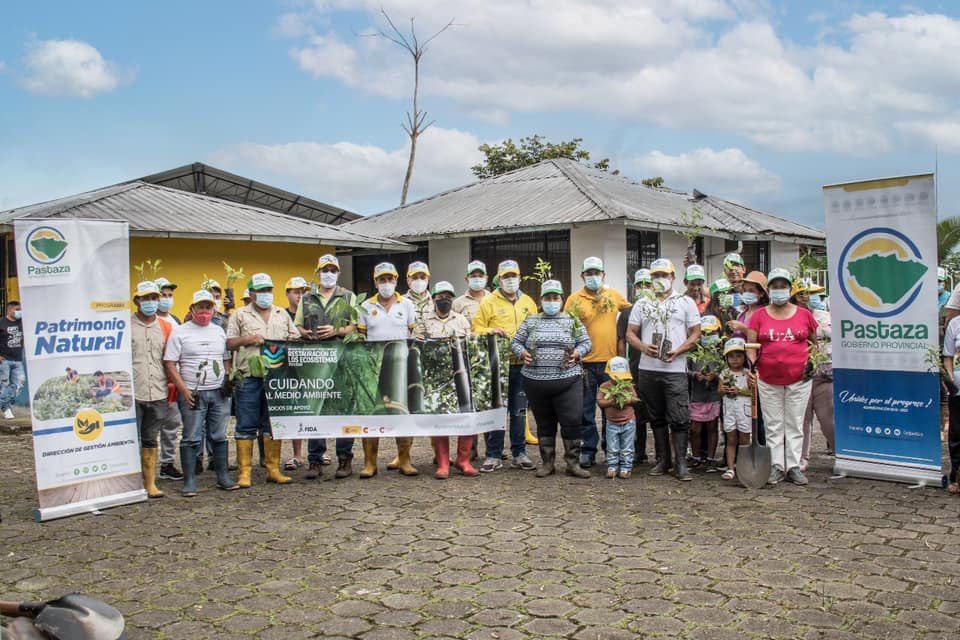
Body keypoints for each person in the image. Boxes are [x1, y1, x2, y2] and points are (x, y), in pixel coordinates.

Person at [626, 258, 701, 481]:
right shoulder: (643, 303)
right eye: (656, 276)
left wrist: (679, 350)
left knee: (679, 416)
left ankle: (680, 464)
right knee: (656, 416)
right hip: (648, 369)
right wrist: (642, 347)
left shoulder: (685, 302)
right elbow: (630, 333)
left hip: (675, 369)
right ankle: (662, 459)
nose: (660, 280)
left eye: (664, 275)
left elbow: (696, 333)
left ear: (673, 278)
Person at [511, 280, 592, 478]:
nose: (552, 301)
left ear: (562, 300)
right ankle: (547, 463)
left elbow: (586, 342)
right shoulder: (532, 321)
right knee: (544, 423)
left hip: (568, 380)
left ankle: (572, 464)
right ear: (541, 300)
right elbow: (515, 342)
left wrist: (578, 353)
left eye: (555, 298)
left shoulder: (572, 320)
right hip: (535, 382)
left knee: (572, 421)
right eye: (548, 298)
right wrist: (522, 353)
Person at [226, 272, 301, 487]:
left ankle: (273, 469)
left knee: (273, 424)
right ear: (251, 294)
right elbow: (229, 343)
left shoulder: (281, 314)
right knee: (246, 424)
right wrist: (249, 339)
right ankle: (245, 473)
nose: (266, 294)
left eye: (268, 290)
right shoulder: (240, 315)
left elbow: (294, 340)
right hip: (249, 378)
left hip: (276, 378)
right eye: (261, 291)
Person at [746, 268, 818, 486]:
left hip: (799, 377)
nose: (779, 291)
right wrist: (752, 367)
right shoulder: (758, 316)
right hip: (767, 378)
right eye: (775, 287)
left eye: (783, 286)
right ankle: (777, 466)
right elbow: (751, 345)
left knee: (795, 422)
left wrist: (811, 362)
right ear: (768, 290)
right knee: (774, 424)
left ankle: (793, 466)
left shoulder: (804, 314)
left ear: (790, 289)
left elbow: (814, 343)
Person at [164, 289, 238, 496]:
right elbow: (170, 363)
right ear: (192, 309)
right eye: (200, 307)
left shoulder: (218, 331)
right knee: (191, 437)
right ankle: (189, 481)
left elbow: (225, 357)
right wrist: (183, 390)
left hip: (218, 392)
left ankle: (222, 477)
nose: (204, 311)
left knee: (219, 435)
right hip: (192, 393)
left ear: (213, 309)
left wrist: (227, 376)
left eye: (208, 307)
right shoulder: (180, 331)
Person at [564, 256, 632, 468]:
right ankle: (588, 450)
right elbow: (566, 327)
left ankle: (610, 449)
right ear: (582, 276)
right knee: (585, 411)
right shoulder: (574, 300)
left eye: (597, 273)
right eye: (589, 273)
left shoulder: (613, 295)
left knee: (610, 408)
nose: (593, 277)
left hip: (610, 365)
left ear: (603, 275)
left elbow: (632, 310)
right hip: (584, 363)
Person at [472, 259, 539, 472]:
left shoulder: (528, 302)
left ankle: (519, 453)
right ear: (499, 279)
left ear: (519, 277)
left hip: (523, 366)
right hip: (498, 366)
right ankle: (493, 454)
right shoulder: (488, 302)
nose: (510, 280)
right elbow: (475, 329)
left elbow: (536, 328)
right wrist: (490, 331)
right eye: (506, 277)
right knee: (497, 411)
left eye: (514, 276)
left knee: (520, 411)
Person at [297, 254, 358, 479]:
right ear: (318, 272)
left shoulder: (349, 297)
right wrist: (304, 332)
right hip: (315, 360)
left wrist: (337, 331)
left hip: (342, 359)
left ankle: (345, 458)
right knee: (316, 408)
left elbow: (357, 326)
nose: (329, 274)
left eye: (333, 270)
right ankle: (315, 460)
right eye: (325, 270)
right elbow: (298, 326)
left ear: (339, 273)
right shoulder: (307, 299)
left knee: (342, 407)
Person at [356, 262, 419, 478]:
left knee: (401, 412)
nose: (386, 283)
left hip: (401, 366)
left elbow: (413, 336)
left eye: (389, 279)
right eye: (381, 280)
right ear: (375, 282)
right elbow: (361, 338)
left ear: (396, 280)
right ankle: (370, 463)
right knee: (372, 416)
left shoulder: (407, 305)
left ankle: (405, 460)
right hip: (373, 368)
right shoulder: (364, 306)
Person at [421, 281, 477, 478]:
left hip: (460, 376)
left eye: (448, 296)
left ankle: (464, 460)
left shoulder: (461, 321)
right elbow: (416, 346)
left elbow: (472, 347)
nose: (444, 300)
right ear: (433, 298)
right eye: (440, 296)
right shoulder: (424, 321)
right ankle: (443, 463)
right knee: (440, 420)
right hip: (436, 378)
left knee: (466, 416)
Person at [130, 281, 172, 498]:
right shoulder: (125, 325)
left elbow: (170, 360)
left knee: (150, 437)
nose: (151, 302)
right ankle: (130, 483)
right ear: (137, 300)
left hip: (158, 390)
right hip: (132, 392)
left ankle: (150, 483)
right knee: (129, 438)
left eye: (154, 298)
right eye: (146, 298)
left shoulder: (166, 326)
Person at [795, 279, 835, 469]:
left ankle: (839, 453)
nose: (809, 298)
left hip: (824, 373)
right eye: (804, 294)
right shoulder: (793, 316)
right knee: (802, 419)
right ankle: (802, 457)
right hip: (800, 374)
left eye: (812, 294)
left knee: (828, 417)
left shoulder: (826, 316)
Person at [617, 269, 653, 465]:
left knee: (654, 410)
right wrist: (623, 369)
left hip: (655, 367)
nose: (644, 289)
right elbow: (622, 340)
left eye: (648, 285)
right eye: (640, 285)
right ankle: (639, 451)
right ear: (634, 288)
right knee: (636, 409)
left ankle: (662, 454)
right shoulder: (626, 313)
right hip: (634, 366)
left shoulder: (659, 309)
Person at [153, 277, 183, 480]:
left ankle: (167, 463)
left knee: (172, 425)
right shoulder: (145, 321)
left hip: (172, 382)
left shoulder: (176, 321)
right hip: (151, 381)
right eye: (162, 295)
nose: (166, 299)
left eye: (169, 295)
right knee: (147, 427)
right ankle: (142, 466)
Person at [283, 276, 311, 472]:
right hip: (289, 370)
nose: (300, 296)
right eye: (296, 292)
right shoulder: (281, 315)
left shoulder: (313, 314)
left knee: (316, 409)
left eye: (303, 292)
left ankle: (320, 451)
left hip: (311, 369)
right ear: (287, 294)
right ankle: (297, 454)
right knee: (296, 410)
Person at [688, 315, 722, 472]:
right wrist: (695, 375)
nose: (708, 337)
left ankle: (710, 458)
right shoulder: (694, 352)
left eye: (712, 333)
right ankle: (695, 457)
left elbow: (727, 370)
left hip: (714, 396)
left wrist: (716, 375)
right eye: (705, 334)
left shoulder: (720, 353)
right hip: (696, 395)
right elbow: (684, 369)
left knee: (712, 427)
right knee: (695, 428)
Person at [596, 357, 639, 479]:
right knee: (612, 447)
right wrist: (612, 402)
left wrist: (624, 400)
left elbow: (635, 398)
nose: (619, 379)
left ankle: (626, 467)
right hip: (612, 422)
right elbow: (600, 402)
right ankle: (612, 466)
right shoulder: (605, 386)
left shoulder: (628, 385)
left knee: (627, 447)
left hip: (628, 421)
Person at [718, 338, 752, 481]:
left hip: (744, 410)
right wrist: (723, 389)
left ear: (744, 357)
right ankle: (730, 468)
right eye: (731, 356)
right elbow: (719, 391)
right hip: (729, 410)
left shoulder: (748, 373)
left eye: (738, 356)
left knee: (744, 439)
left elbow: (753, 392)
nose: (735, 359)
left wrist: (740, 391)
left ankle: (744, 466)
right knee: (731, 439)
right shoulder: (724, 373)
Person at [942, 312, 960, 495]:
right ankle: (955, 475)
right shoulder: (955, 324)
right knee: (956, 431)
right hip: (958, 390)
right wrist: (951, 379)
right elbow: (948, 355)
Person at [0, 301, 24, 420]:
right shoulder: (1, 322)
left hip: (18, 359)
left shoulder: (22, 322)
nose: (20, 312)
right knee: (5, 384)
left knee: (19, 384)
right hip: (4, 360)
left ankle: (2, 400)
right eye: (17, 309)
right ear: (10, 310)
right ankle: (6, 409)